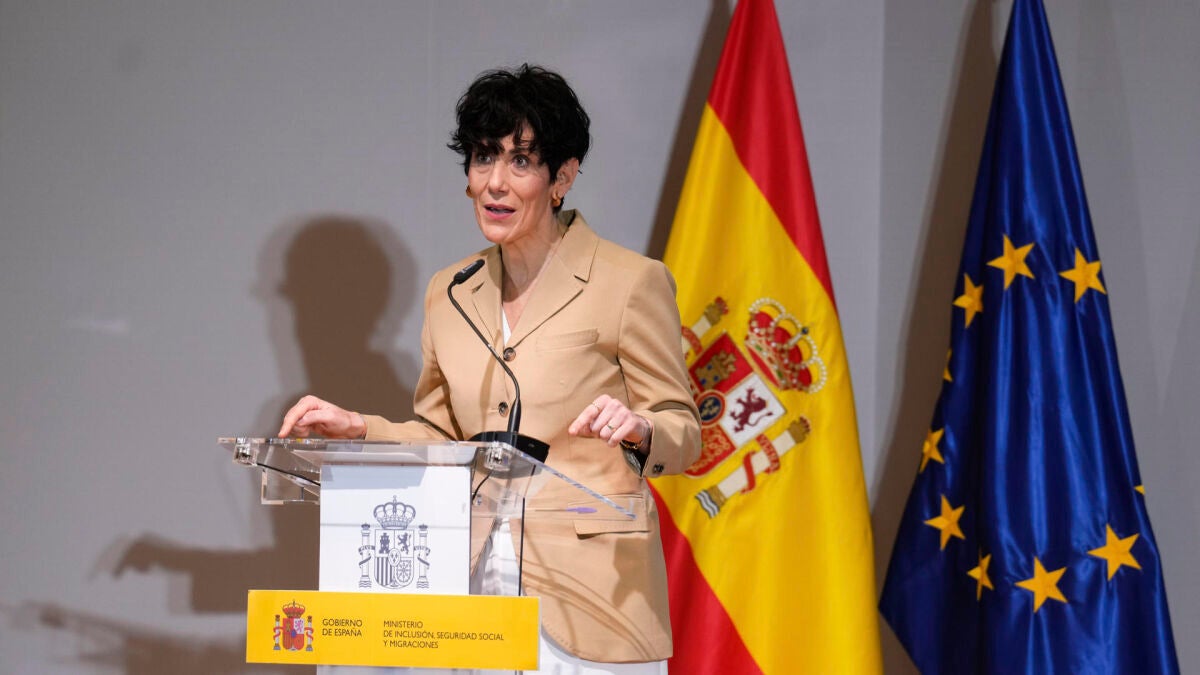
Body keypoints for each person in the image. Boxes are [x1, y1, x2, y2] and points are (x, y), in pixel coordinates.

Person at [278, 64, 701, 672]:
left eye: (520, 161)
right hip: (470, 592)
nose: (495, 183)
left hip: (592, 604)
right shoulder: (450, 290)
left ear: (563, 177)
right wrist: (361, 429)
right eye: (483, 158)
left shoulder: (630, 282)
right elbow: (443, 438)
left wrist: (641, 428)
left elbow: (683, 429)